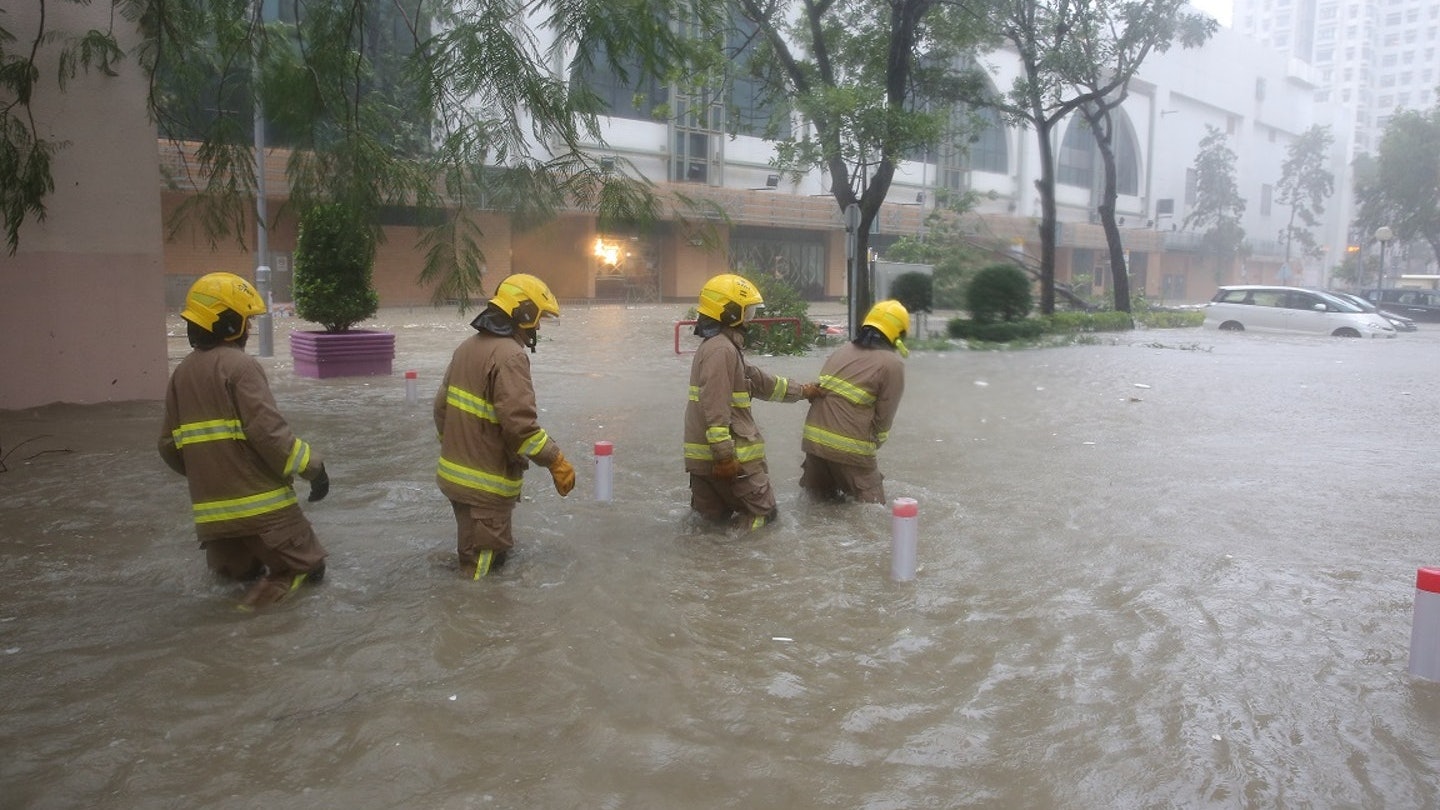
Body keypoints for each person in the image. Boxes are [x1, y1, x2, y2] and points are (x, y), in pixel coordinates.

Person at [159, 272, 330, 610]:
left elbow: (168, 446)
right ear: (227, 322)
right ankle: (253, 615)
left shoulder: (181, 375)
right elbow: (270, 434)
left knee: (233, 585)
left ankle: (233, 643)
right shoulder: (240, 367)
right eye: (246, 320)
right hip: (266, 513)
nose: (249, 329)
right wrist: (314, 469)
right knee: (309, 570)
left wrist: (210, 475)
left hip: (212, 521)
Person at [434, 273, 575, 578]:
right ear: (523, 314)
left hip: (456, 481)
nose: (537, 326)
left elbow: (440, 409)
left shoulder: (466, 348)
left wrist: (459, 448)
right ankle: (472, 624)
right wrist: (556, 460)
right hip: (485, 488)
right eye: (538, 318)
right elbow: (520, 429)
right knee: (481, 574)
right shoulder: (511, 357)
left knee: (476, 555)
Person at [684, 273, 820, 529]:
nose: (751, 318)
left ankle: (713, 565)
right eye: (749, 311)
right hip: (732, 461)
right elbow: (715, 404)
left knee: (710, 526)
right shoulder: (722, 350)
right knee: (765, 518)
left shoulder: (718, 347)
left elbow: (758, 381)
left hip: (704, 462)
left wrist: (803, 391)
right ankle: (744, 563)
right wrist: (724, 456)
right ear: (731, 312)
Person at [799, 299, 909, 504]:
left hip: (813, 443)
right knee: (874, 513)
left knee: (817, 506)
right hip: (851, 449)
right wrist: (871, 447)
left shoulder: (842, 350)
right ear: (898, 334)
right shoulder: (892, 365)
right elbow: (884, 419)